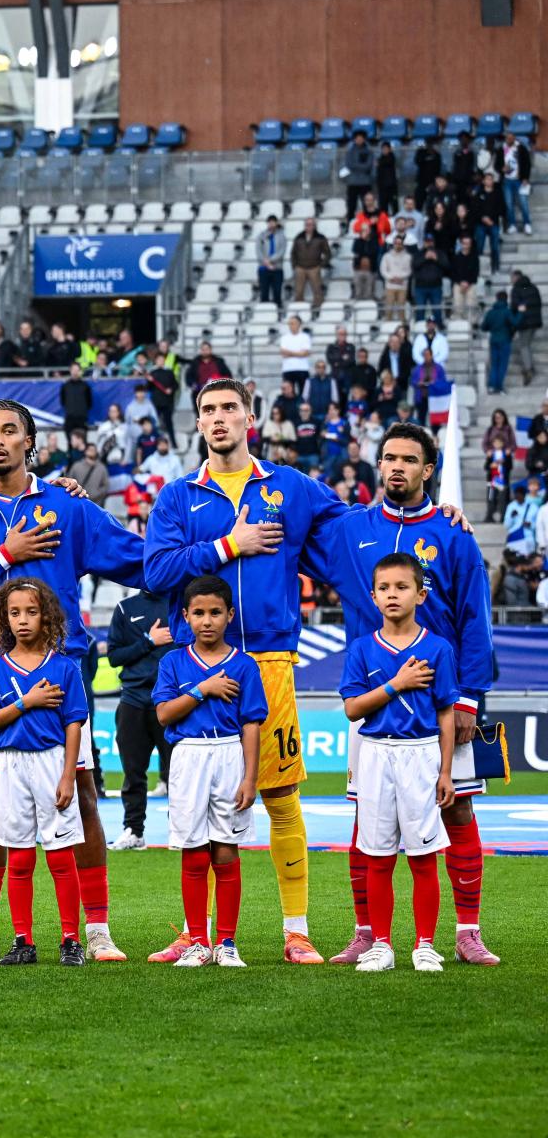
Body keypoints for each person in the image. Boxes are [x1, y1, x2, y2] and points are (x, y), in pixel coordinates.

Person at [0, 402, 145, 964]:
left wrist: (218, 559)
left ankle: (95, 930)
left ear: (32, 442)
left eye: (8, 431)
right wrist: (6, 553)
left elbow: (139, 560)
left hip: (61, 673)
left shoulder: (67, 507)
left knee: (84, 797)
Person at [143, 378, 346, 964]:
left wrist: (425, 515)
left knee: (280, 795)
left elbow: (358, 530)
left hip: (268, 659)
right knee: (198, 809)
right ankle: (197, 933)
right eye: (207, 410)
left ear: (250, 417)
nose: (218, 418)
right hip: (193, 662)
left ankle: (296, 931)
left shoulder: (291, 488)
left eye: (229, 408)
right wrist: (229, 545)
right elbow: (156, 572)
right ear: (198, 423)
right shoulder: (179, 497)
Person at [304, 423, 497, 967]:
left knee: (456, 811)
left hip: (444, 702)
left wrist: (468, 701)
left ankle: (467, 931)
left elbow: (474, 623)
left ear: (427, 470)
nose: (395, 467)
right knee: (367, 820)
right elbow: (291, 512)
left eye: (408, 460)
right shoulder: (350, 529)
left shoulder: (453, 535)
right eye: (388, 457)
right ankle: (367, 933)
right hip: (374, 703)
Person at [339, 553, 459, 974]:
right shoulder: (361, 649)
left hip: (421, 754)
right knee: (377, 855)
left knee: (424, 856)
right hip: (374, 754)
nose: (393, 594)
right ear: (373, 597)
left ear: (420, 595)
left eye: (402, 587)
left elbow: (446, 713)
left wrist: (446, 772)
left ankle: (425, 944)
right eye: (384, 588)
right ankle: (382, 945)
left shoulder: (438, 648)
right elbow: (353, 709)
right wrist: (396, 684)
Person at [0, 577, 91, 967]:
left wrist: (68, 775)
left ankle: (71, 941)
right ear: (4, 619)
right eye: (14, 612)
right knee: (19, 857)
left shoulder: (65, 667)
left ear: (48, 616)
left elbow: (74, 723)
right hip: (11, 765)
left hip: (52, 761)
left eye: (32, 612)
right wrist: (27, 701)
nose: (23, 620)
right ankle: (23, 940)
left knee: (60, 855)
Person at [149, 576, 266, 968]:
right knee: (194, 852)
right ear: (185, 616)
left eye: (216, 612)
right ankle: (198, 940)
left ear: (229, 615)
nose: (207, 620)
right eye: (198, 613)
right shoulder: (173, 662)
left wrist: (250, 778)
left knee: (226, 850)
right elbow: (164, 714)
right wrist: (203, 689)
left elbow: (252, 723)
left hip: (230, 755)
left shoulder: (245, 665)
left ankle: (227, 943)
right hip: (189, 757)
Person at [104, 588, 175, 850]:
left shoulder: (179, 602)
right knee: (133, 773)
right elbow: (113, 657)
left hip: (171, 702)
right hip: (133, 700)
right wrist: (148, 640)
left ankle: (180, 831)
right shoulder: (125, 608)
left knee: (179, 774)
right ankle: (134, 831)